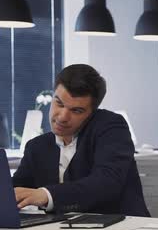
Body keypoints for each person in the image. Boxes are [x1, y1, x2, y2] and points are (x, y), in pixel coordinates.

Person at [12, 64, 150, 216]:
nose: (63, 117)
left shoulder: (111, 128)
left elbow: (106, 182)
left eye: (76, 111)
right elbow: (15, 189)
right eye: (59, 103)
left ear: (92, 113)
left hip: (119, 229)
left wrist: (46, 195)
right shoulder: (37, 146)